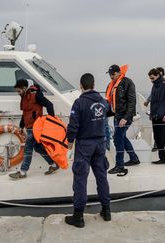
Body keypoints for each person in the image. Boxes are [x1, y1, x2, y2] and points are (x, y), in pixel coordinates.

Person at [65, 73, 111, 228]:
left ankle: (78, 217)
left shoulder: (79, 103)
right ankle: (106, 211)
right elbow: (110, 111)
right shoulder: (104, 102)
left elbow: (73, 126)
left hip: (84, 145)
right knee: (102, 177)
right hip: (100, 144)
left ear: (81, 86)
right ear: (93, 84)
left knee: (80, 179)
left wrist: (70, 142)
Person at [9, 79, 59, 180]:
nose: (18, 93)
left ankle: (23, 172)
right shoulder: (24, 96)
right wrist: (21, 126)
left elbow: (49, 105)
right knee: (38, 148)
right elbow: (25, 113)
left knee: (28, 150)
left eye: (19, 91)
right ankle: (53, 165)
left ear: (24, 88)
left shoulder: (35, 94)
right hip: (29, 127)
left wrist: (51, 121)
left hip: (35, 128)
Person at [105, 65, 139, 176]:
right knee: (122, 137)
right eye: (110, 74)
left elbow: (132, 102)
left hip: (125, 117)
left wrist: (126, 118)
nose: (111, 76)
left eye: (113, 74)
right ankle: (134, 158)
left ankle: (119, 166)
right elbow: (110, 103)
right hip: (117, 116)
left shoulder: (128, 83)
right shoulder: (112, 84)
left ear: (119, 72)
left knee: (117, 139)